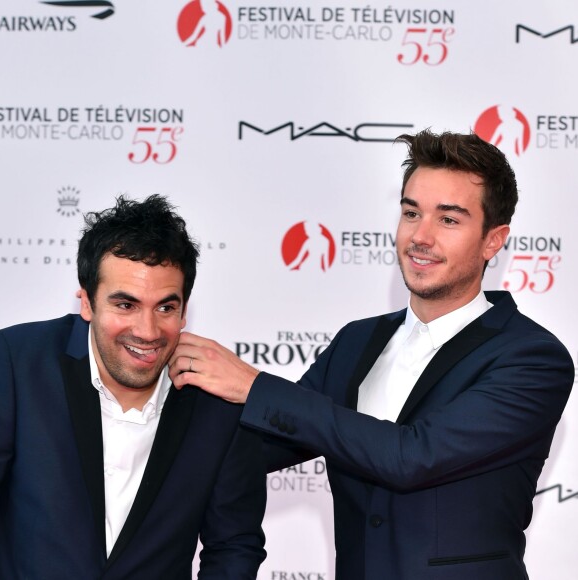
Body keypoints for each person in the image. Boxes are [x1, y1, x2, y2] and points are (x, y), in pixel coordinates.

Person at [169, 130, 574, 580]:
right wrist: (146, 411)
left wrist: (253, 385)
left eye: (449, 220)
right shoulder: (356, 342)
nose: (420, 236)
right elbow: (263, 444)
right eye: (411, 212)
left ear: (493, 240)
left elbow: (411, 457)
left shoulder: (532, 358)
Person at [0, 195, 266, 579]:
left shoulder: (218, 404)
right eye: (126, 305)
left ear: (184, 309)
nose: (147, 331)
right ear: (87, 303)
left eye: (165, 308)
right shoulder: (16, 364)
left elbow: (234, 545)